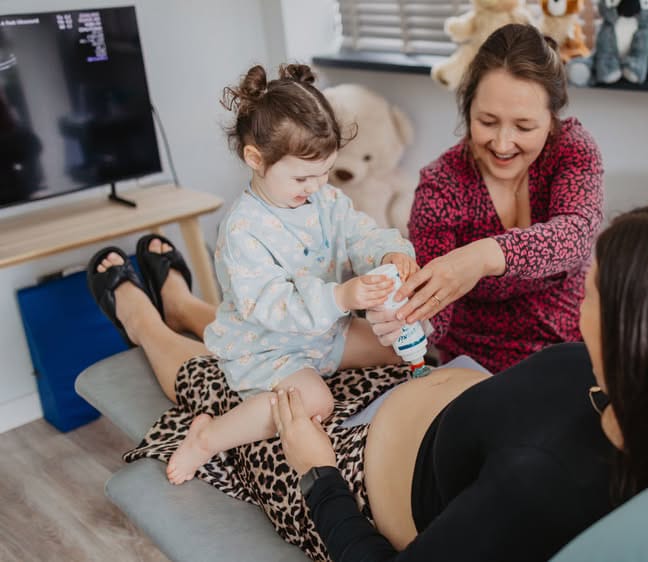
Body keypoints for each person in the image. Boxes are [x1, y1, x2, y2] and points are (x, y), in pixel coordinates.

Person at [92, 202, 648, 561]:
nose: (581, 288)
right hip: (419, 396)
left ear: (638, 338)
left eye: (594, 289)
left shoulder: (543, 485)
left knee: (224, 383)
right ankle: (186, 303)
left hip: (345, 470)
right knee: (291, 342)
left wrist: (314, 470)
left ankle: (142, 316)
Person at [91, 63, 419, 486]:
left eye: (325, 172)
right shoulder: (243, 229)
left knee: (397, 347)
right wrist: (341, 298)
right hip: (269, 348)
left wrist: (390, 253)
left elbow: (360, 234)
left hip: (325, 337)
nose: (318, 185)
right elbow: (271, 304)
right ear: (255, 158)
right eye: (304, 176)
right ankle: (206, 438)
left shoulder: (325, 198)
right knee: (312, 402)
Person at [368, 23, 604, 374]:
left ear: (552, 120)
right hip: (480, 369)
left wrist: (482, 256)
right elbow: (436, 311)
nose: (503, 143)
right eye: (488, 122)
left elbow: (576, 233)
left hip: (575, 353)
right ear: (467, 110)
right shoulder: (441, 185)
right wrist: (407, 322)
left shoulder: (571, 151)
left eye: (524, 127)